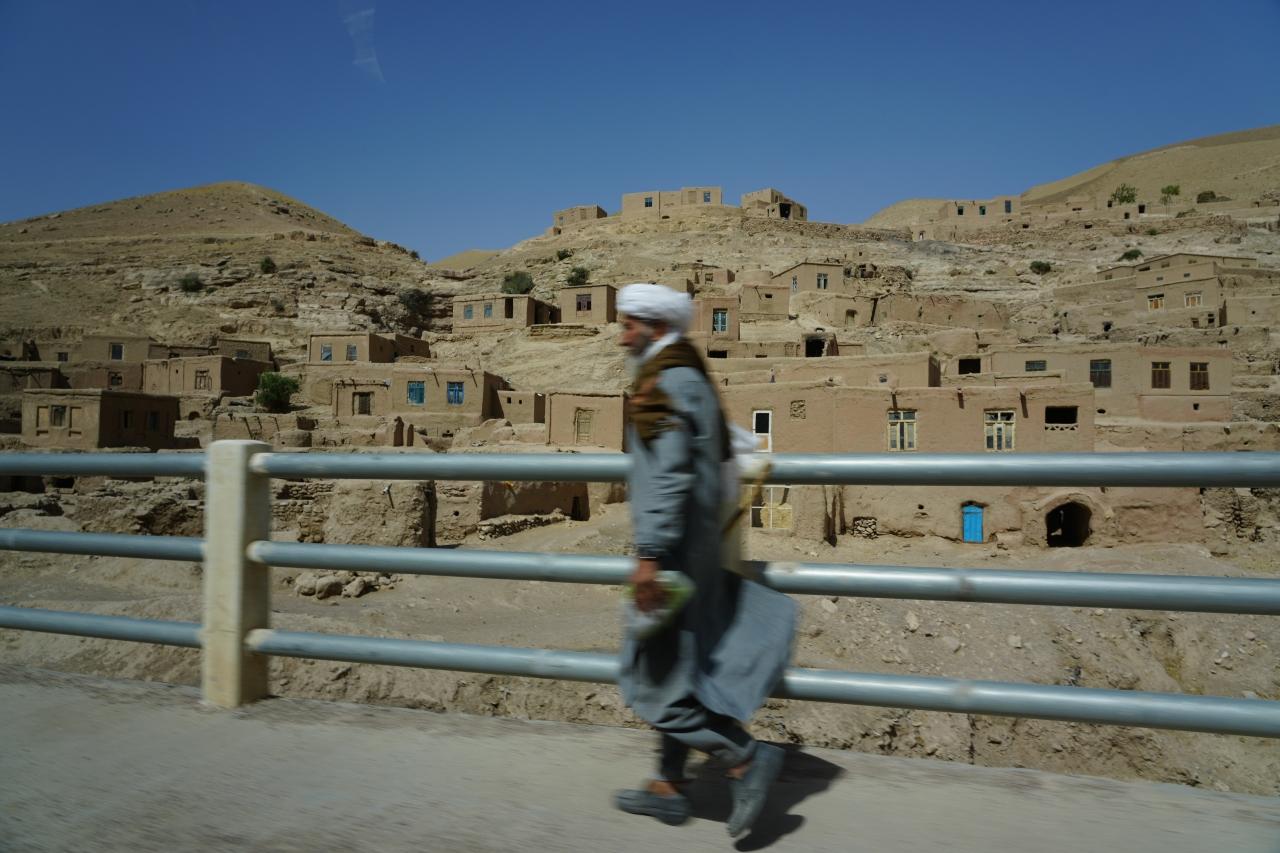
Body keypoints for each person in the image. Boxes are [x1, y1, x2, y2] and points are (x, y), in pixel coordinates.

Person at [612, 282, 796, 838]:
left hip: (672, 557)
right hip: (696, 548)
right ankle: (669, 784)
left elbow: (668, 474)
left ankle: (743, 757)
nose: (622, 337)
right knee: (681, 670)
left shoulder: (665, 383)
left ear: (656, 327)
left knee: (648, 675)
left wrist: (649, 554)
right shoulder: (688, 374)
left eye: (629, 325)